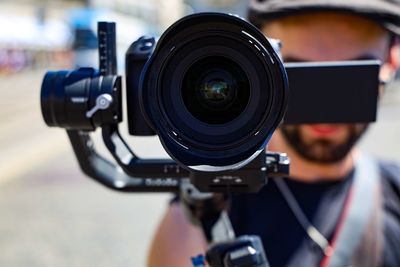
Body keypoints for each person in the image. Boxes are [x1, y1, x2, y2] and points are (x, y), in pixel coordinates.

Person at [146, 0, 400, 266]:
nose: (325, 108)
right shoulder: (201, 215)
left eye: (352, 79)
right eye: (299, 76)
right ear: (258, 62)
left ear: (392, 60)